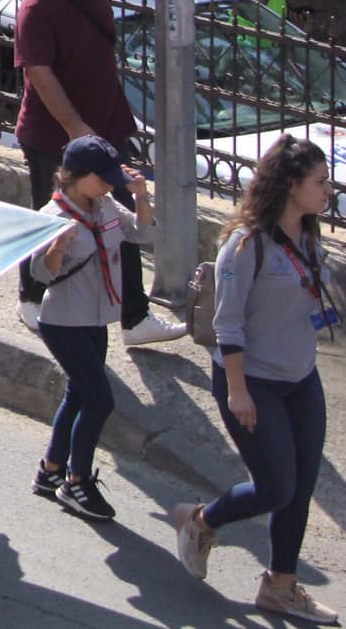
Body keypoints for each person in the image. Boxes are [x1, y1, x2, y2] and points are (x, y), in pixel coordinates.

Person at [172, 137, 337, 624]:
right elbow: (228, 327)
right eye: (320, 182)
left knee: (300, 486)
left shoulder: (309, 237)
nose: (329, 190)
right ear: (290, 185)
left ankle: (280, 586)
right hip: (252, 383)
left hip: (301, 379)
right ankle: (201, 521)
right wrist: (240, 391)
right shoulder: (244, 246)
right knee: (276, 488)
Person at [14, 0, 186, 345]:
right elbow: (39, 73)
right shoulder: (40, 4)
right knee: (52, 223)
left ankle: (134, 317)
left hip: (106, 133)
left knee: (121, 223)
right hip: (56, 140)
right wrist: (76, 130)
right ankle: (32, 298)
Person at [28, 134, 158, 522]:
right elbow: (38, 275)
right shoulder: (52, 218)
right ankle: (77, 481)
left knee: (80, 395)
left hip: (96, 318)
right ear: (74, 176)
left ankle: (51, 470)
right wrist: (56, 249)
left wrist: (140, 196)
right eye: (101, 177)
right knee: (100, 399)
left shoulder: (105, 205)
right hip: (63, 321)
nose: (107, 183)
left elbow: (144, 234)